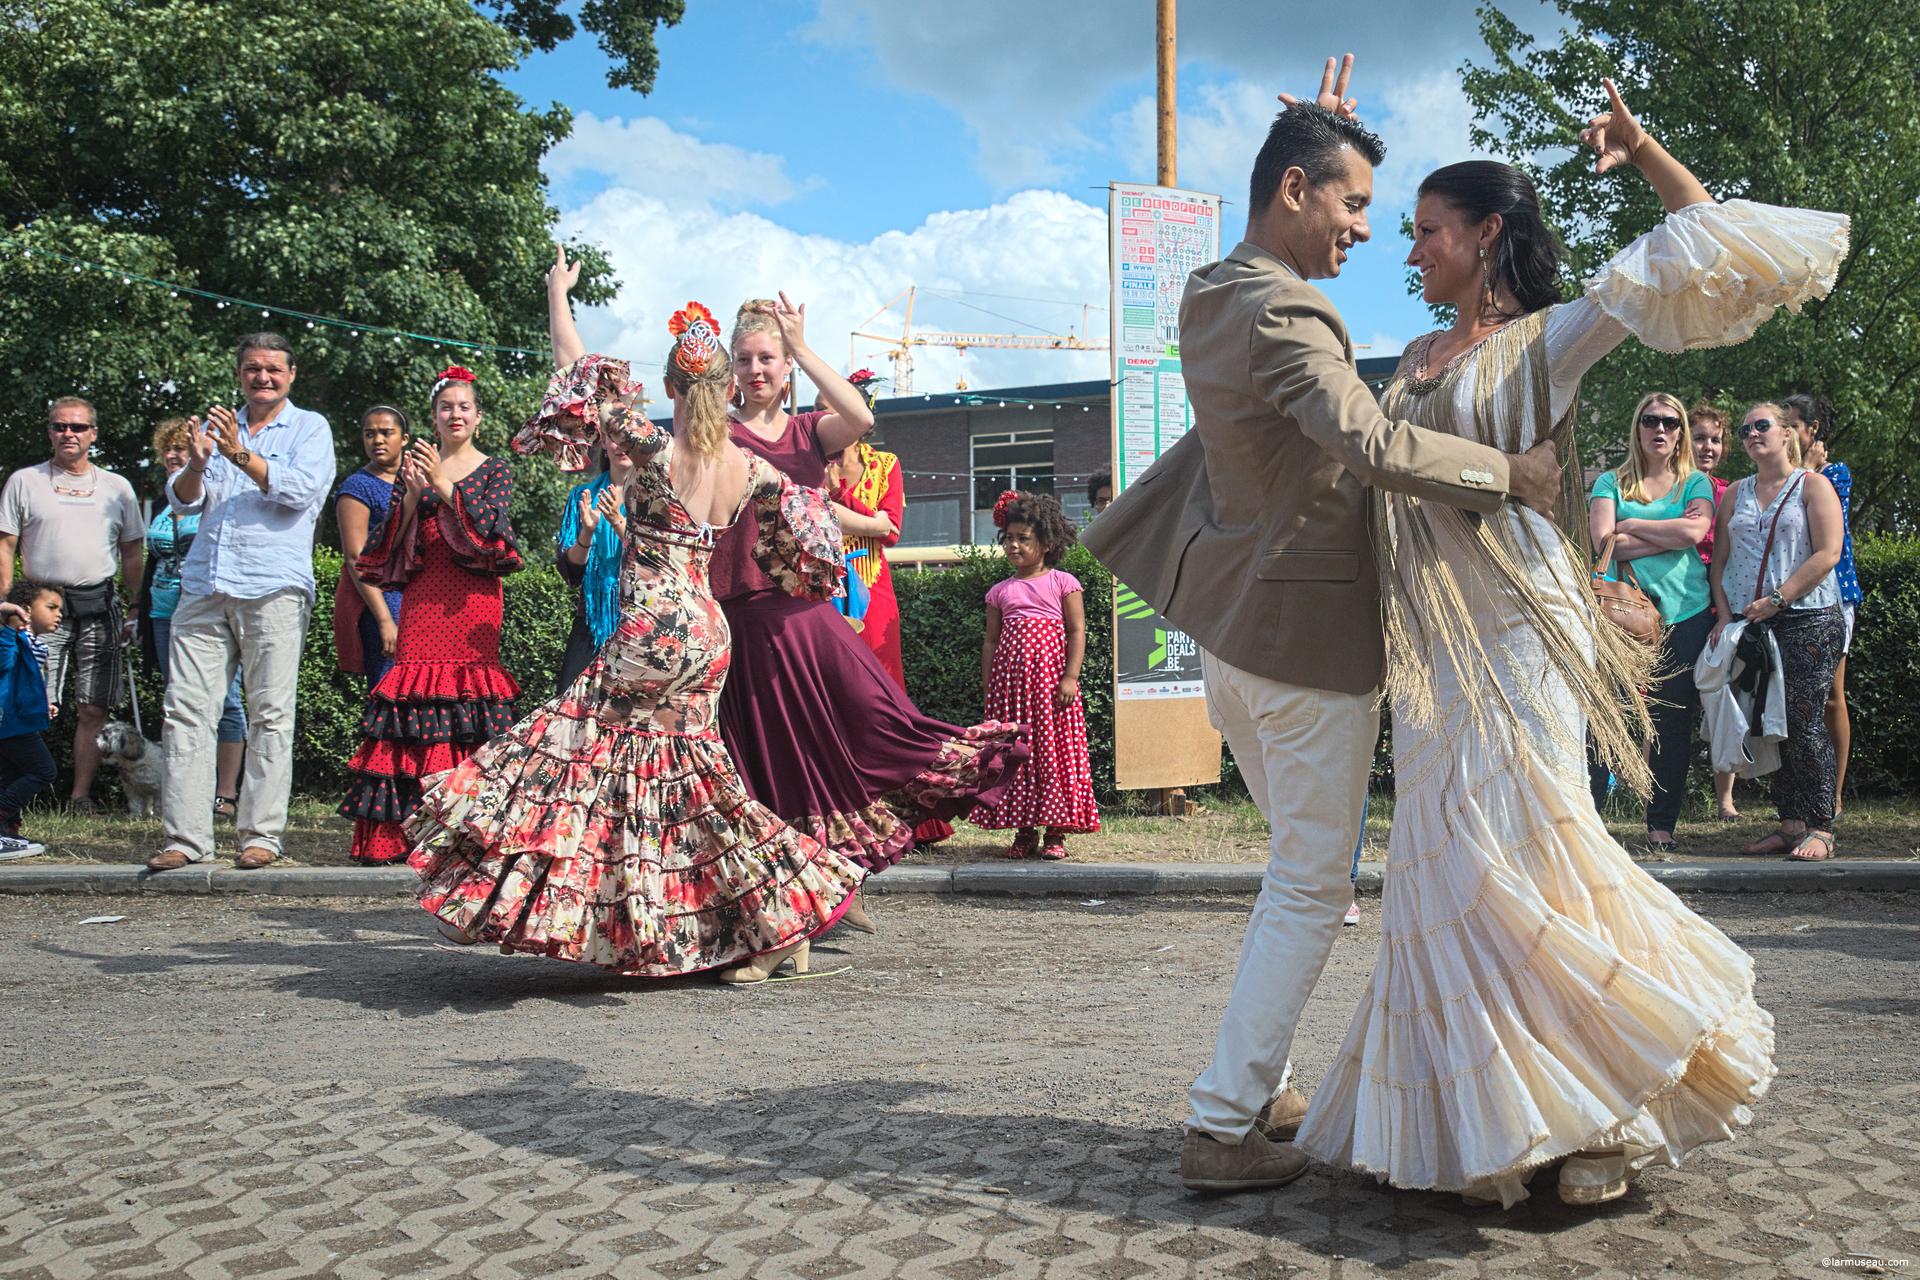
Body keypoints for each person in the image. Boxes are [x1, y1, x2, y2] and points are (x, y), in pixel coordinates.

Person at [1288, 81, 1847, 1208]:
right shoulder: (1411, 353)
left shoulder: (1555, 337)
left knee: (1528, 853)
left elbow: (1698, 238)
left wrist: (1644, 148)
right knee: (1443, 866)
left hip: (1519, 626)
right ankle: (1488, 1123)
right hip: (1432, 640)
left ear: (1487, 233)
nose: (1412, 248)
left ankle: (1602, 1114)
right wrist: (1315, 144)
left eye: (1430, 229)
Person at [1084, 59, 1567, 1197]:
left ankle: (1263, 1085)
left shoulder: (1213, 290)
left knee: (1292, 876)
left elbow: (1297, 409)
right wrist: (1511, 473)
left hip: (1235, 641)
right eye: (1350, 203)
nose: (1365, 229)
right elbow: (1373, 443)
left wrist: (1317, 129)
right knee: (1311, 886)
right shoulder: (1289, 308)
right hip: (1306, 652)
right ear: (1295, 189)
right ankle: (1221, 1125)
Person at [403, 264, 865, 983]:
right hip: (707, 632)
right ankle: (780, 920)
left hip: (650, 629)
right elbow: (816, 520)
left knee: (563, 754)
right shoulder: (749, 467)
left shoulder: (652, 448)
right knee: (695, 786)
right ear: (727, 389)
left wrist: (557, 295)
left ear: (672, 390)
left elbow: (577, 369)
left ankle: (500, 891)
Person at [711, 295, 1030, 885]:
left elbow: (859, 419)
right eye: (744, 359)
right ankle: (797, 881)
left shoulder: (808, 431)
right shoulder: (718, 435)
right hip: (737, 614)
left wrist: (800, 344)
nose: (755, 370)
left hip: (803, 612)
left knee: (867, 717)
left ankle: (834, 869)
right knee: (767, 759)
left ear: (785, 368)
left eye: (766, 358)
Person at [146, 333, 338, 872]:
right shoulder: (215, 426)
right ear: (239, 374)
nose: (263, 377)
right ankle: (186, 839)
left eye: (273, 369)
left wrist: (238, 454)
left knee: (270, 714)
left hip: (272, 584)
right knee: (184, 711)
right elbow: (183, 502)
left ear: (291, 375)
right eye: (253, 368)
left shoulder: (310, 427)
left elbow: (300, 493)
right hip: (204, 584)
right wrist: (197, 464)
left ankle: (260, 835)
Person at [338, 369, 521, 865]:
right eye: (446, 407)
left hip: (474, 599)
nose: (455, 414)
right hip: (423, 596)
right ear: (434, 417)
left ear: (478, 417)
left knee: (469, 704)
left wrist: (442, 485)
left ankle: (466, 833)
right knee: (413, 701)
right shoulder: (411, 469)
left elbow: (491, 536)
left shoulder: (495, 468)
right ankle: (402, 835)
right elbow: (387, 546)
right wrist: (413, 495)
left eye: (464, 407)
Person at [1711, 403, 1846, 861]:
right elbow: (1720, 562)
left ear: (1787, 434)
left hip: (1809, 617)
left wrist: (1778, 599)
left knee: (1804, 721)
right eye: (1745, 429)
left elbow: (1828, 553)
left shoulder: (1813, 485)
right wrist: (1725, 616)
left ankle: (1821, 826)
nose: (1752, 433)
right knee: (1775, 725)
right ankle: (1790, 825)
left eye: (1762, 425)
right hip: (1755, 624)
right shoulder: (1736, 492)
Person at [0, 396, 145, 813]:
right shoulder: (25, 481)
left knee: (93, 706)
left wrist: (135, 607)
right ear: (49, 432)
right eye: (60, 426)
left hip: (99, 603)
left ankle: (79, 796)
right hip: (38, 605)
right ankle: (19, 793)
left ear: (93, 434)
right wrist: (5, 605)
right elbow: (5, 545)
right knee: (26, 702)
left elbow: (132, 553)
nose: (69, 433)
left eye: (78, 427)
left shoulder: (117, 487)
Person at [1588, 392, 1716, 855]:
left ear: (1680, 432)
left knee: (1671, 721)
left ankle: (1661, 825)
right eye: (1650, 420)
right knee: (1607, 716)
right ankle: (1590, 822)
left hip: (1685, 612)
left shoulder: (1695, 482)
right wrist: (1669, 534)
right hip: (1622, 617)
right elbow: (1603, 542)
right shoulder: (1610, 481)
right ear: (1637, 428)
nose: (1660, 429)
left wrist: (1631, 527)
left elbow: (1695, 532)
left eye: (1670, 421)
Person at [972, 490, 1099, 860]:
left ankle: (1056, 831)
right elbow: (991, 642)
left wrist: (1070, 677)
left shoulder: (1063, 583)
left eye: (1023, 538)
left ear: (1046, 543)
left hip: (1051, 691)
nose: (1013, 545)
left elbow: (1076, 631)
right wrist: (990, 685)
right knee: (1018, 755)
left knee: (1053, 753)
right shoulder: (999, 591)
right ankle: (1024, 831)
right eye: (1008, 538)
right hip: (1012, 693)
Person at [139, 418, 249, 820]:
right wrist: (138, 611)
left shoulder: (212, 496)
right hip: (164, 609)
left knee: (227, 700)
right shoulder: (164, 504)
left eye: (182, 449)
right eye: (168, 449)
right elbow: (150, 563)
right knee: (180, 701)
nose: (173, 455)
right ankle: (186, 792)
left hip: (208, 605)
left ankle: (225, 793)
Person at [1780, 392, 1862, 820]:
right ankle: (1798, 795)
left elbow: (1825, 533)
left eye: (1793, 425)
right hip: (1789, 597)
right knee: (1793, 699)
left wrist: (1808, 471)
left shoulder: (1834, 474)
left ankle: (1835, 794)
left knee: (1831, 695)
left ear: (1813, 430)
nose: (1785, 432)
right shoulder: (1775, 476)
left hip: (1833, 594)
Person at [1689, 399, 1741, 820]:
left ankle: (1725, 799)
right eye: (1700, 438)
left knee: (1723, 700)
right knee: (1665, 702)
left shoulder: (1729, 493)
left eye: (1716, 440)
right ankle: (1656, 793)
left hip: (1720, 603)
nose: (1708, 446)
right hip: (1676, 602)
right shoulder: (1669, 489)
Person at [332, 406, 408, 693]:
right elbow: (356, 558)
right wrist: (384, 619)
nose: (377, 440)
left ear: (404, 438)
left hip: (419, 596)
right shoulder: (358, 487)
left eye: (386, 433)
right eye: (370, 434)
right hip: (382, 598)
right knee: (389, 688)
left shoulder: (417, 479)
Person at [554, 436, 631, 692]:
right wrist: (587, 533)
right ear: (605, 445)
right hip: (592, 618)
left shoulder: (655, 499)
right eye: (615, 438)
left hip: (641, 616)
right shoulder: (582, 496)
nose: (623, 445)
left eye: (630, 438)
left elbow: (656, 558)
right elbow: (572, 573)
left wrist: (617, 522)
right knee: (569, 697)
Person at [830, 431, 906, 687]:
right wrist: (872, 523)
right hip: (821, 588)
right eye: (819, 413)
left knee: (881, 679)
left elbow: (891, 533)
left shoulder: (885, 464)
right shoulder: (807, 466)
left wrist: (839, 494)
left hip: (872, 587)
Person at [0, 581, 63, 860]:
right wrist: (9, 628)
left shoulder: (34, 643)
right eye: (51, 607)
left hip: (18, 720)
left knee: (13, 775)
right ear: (25, 610)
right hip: (10, 722)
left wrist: (41, 705)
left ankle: (7, 832)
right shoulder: (13, 636)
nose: (59, 614)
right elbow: (3, 665)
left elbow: (22, 682)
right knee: (43, 771)